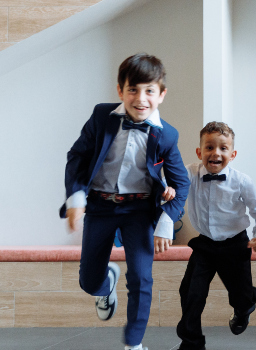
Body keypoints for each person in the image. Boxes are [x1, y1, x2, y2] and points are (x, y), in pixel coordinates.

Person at [61, 53, 189, 350]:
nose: (140, 98)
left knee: (142, 279)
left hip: (140, 210)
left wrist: (167, 221)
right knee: (88, 282)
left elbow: (181, 182)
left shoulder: (167, 135)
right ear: (120, 90)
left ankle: (134, 344)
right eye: (133, 89)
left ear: (161, 95)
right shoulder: (101, 116)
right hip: (100, 206)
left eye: (149, 91)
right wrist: (76, 198)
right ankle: (105, 283)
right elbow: (77, 157)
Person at [175, 122, 256, 350]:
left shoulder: (242, 181)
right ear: (199, 152)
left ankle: (245, 306)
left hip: (236, 245)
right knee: (190, 293)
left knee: (241, 296)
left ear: (232, 154)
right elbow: (172, 181)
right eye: (209, 147)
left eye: (223, 148)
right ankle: (191, 343)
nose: (215, 153)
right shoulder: (189, 174)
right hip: (205, 245)